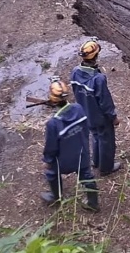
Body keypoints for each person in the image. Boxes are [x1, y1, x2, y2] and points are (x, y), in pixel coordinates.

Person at [40, 77, 99, 212]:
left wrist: (48, 160)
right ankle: (93, 202)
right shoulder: (78, 108)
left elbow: (51, 146)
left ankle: (57, 196)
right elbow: (85, 129)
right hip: (81, 154)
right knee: (87, 176)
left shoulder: (53, 123)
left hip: (62, 161)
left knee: (52, 173)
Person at [70, 38, 122, 176]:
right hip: (100, 117)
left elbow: (75, 91)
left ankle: (96, 161)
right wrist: (113, 117)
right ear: (96, 56)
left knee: (95, 136)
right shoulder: (98, 78)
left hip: (85, 113)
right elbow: (105, 102)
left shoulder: (75, 72)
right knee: (106, 141)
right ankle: (106, 168)